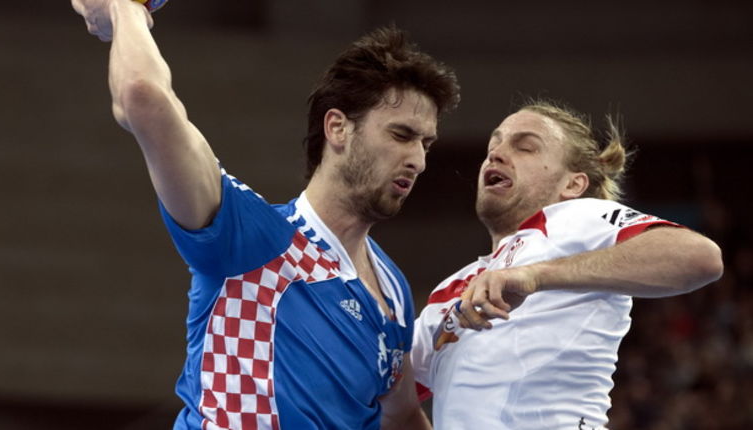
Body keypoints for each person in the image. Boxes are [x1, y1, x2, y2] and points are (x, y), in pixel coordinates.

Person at [71, 0, 460, 428]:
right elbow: (143, 98)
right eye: (401, 135)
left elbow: (402, 414)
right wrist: (126, 10)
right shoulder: (254, 238)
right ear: (337, 128)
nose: (418, 161)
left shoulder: (393, 290)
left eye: (426, 145)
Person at [411, 100, 723, 429]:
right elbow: (389, 402)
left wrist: (533, 276)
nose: (497, 154)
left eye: (525, 147)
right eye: (494, 144)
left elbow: (700, 257)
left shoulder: (575, 218)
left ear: (572, 185)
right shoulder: (446, 294)